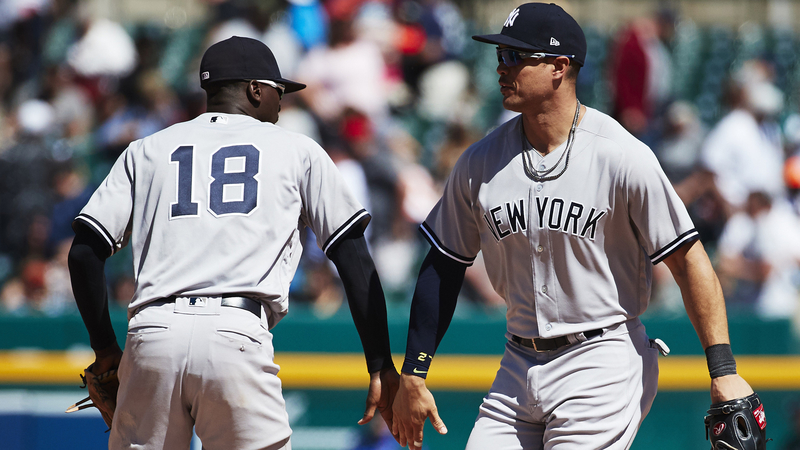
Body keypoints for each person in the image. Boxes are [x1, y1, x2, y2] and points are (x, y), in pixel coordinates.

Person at [390, 4, 756, 449]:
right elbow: (444, 264)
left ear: (559, 67)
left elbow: (688, 260)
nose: (501, 67)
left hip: (601, 357)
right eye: (499, 55)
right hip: (516, 362)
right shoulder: (479, 162)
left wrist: (724, 370)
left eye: (515, 56)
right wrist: (414, 372)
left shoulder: (621, 155)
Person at [67, 36, 399, 449]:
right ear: (255, 90)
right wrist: (380, 364)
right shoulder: (297, 149)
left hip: (152, 335)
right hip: (235, 334)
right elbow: (354, 258)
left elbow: (84, 253)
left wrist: (104, 349)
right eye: (278, 91)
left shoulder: (146, 150)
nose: (281, 103)